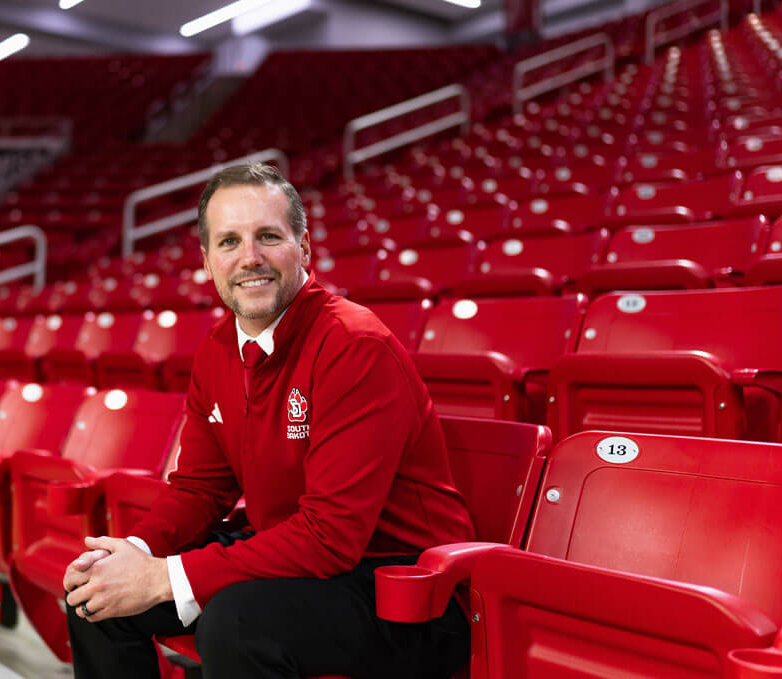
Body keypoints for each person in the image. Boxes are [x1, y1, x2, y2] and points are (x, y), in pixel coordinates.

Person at [63, 162, 475, 679]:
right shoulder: (216, 350)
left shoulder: (354, 345)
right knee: (92, 594)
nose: (249, 258)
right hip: (293, 559)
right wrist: (136, 554)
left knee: (237, 626)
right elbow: (200, 487)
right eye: (229, 242)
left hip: (405, 587)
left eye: (268, 237)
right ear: (209, 262)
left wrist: (164, 578)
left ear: (303, 250)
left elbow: (330, 535)